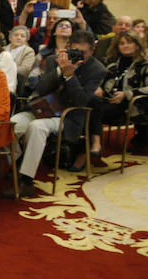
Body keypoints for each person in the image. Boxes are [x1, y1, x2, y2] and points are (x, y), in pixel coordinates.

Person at [7, 30, 106, 197]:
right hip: (42, 109)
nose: (78, 56)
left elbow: (81, 100)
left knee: (37, 128)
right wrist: (60, 70)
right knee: (12, 124)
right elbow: (41, 88)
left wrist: (69, 76)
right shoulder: (54, 60)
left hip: (68, 116)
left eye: (83, 52)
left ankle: (26, 181)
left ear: (92, 50)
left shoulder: (97, 69)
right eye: (74, 51)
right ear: (68, 48)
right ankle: (18, 163)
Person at [83, 31, 148, 161]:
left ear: (137, 45)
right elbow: (99, 81)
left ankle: (90, 148)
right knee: (88, 105)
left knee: (93, 112)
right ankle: (85, 148)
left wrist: (126, 94)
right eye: (122, 43)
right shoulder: (113, 64)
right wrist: (98, 87)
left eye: (129, 42)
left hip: (127, 105)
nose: (125, 46)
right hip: (106, 101)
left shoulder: (146, 65)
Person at [6, 25, 36, 95]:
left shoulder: (29, 51)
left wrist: (7, 70)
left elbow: (25, 69)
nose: (19, 38)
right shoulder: (2, 49)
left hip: (18, 81)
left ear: (26, 40)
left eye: (22, 36)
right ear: (10, 37)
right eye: (16, 35)